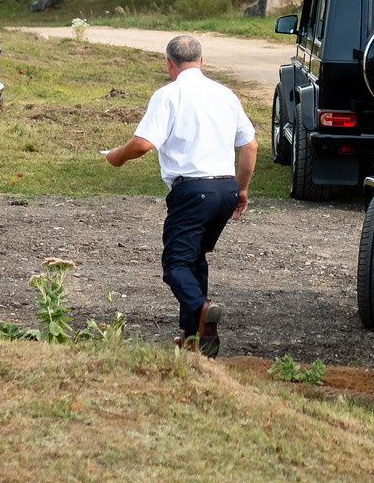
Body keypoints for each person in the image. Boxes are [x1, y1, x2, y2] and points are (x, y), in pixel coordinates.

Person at [99, 33, 257, 357]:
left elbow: (143, 143)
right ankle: (193, 337)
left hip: (193, 190)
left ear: (169, 64)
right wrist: (241, 190)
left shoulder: (168, 95)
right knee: (195, 258)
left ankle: (203, 308)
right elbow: (250, 145)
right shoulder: (225, 94)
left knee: (175, 265)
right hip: (225, 188)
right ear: (201, 61)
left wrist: (117, 156)